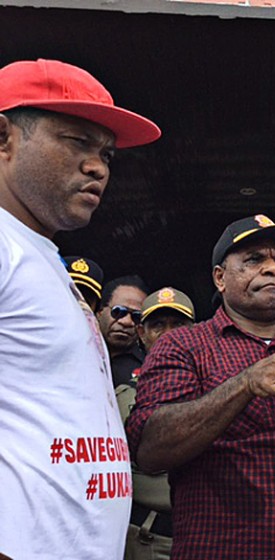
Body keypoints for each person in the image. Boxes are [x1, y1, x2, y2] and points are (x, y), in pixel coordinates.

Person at [0, 58, 160, 559]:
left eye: (106, 154)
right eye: (76, 141)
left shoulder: (39, 255)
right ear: (3, 136)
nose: (98, 167)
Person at [126, 214, 275, 559]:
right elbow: (151, 449)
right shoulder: (184, 345)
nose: (272, 268)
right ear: (220, 278)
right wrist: (245, 383)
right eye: (254, 259)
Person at [117, 287, 195, 560]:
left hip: (214, 533)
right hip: (148, 537)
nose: (168, 333)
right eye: (157, 325)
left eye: (178, 324)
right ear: (141, 333)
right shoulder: (121, 390)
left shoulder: (221, 384)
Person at [98, 274, 149, 386]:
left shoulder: (148, 367)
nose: (126, 322)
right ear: (100, 312)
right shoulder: (79, 353)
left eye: (136, 316)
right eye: (118, 311)